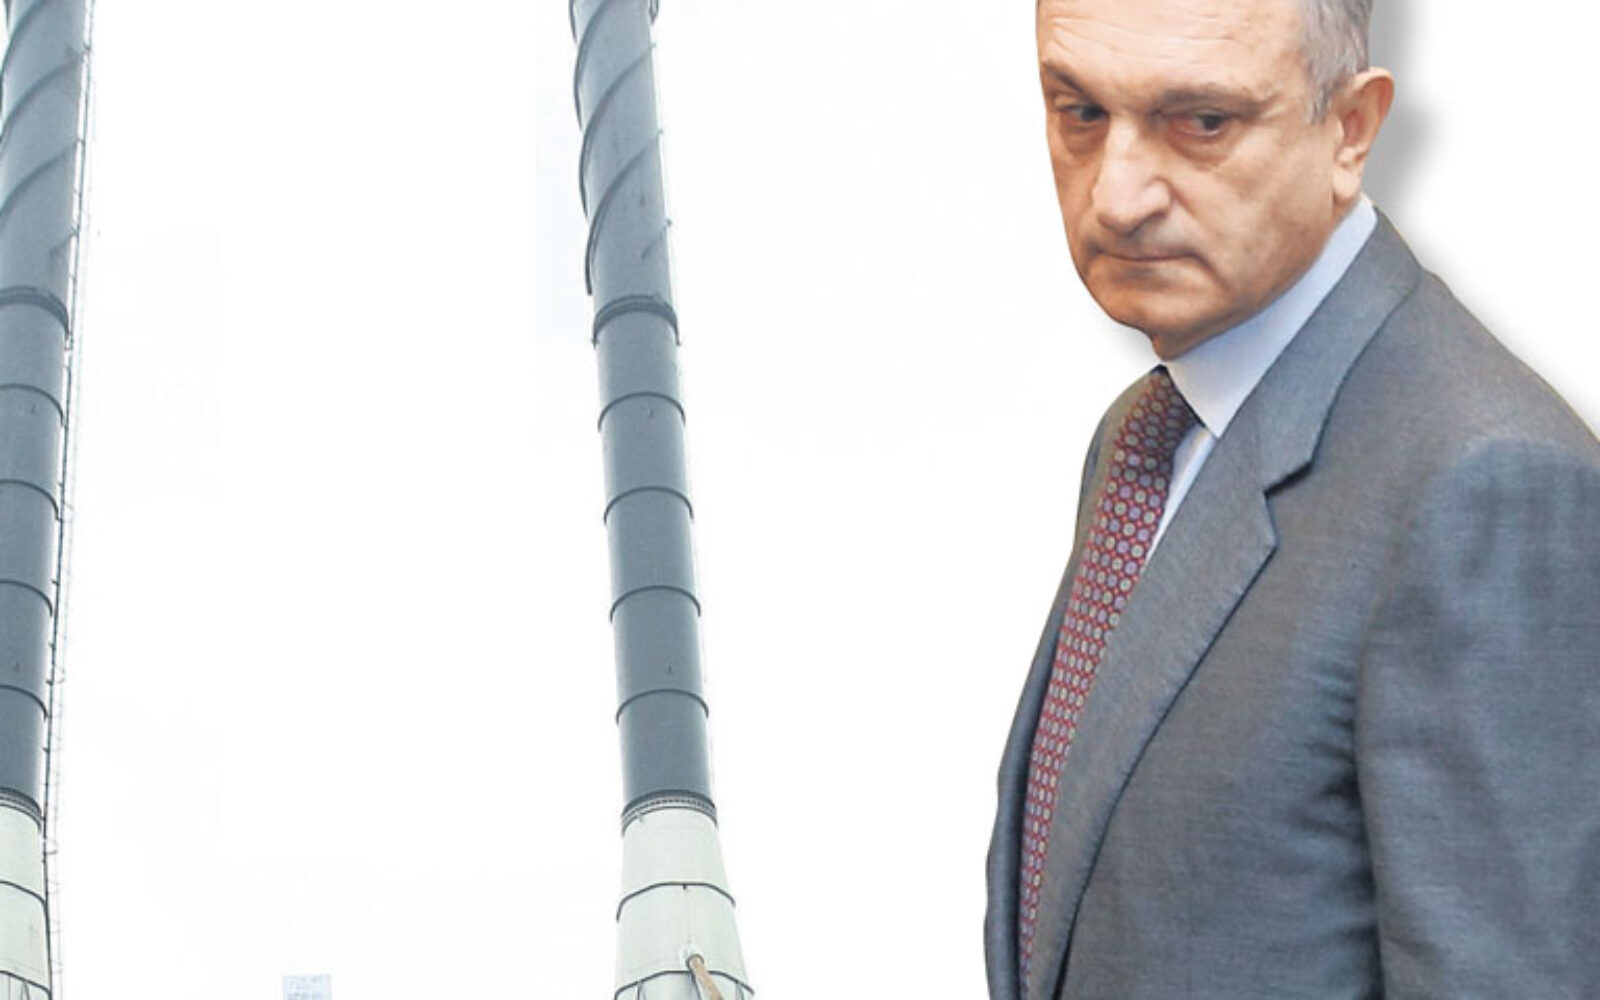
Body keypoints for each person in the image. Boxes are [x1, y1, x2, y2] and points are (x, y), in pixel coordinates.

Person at [984, 0, 1600, 997]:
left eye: (1202, 122)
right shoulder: (1149, 435)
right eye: (1081, 111)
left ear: (1350, 129)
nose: (1117, 196)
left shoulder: (1486, 485)